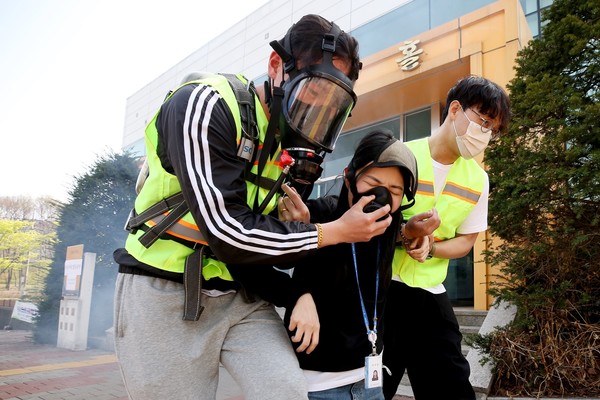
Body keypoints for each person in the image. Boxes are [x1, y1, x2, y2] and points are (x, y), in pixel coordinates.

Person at [113, 15, 393, 400]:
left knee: (287, 391)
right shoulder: (205, 104)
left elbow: (270, 246)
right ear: (277, 66)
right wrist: (334, 231)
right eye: (316, 89)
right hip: (164, 287)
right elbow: (228, 232)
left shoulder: (286, 152)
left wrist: (297, 283)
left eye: (334, 103)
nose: (319, 109)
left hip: (240, 292)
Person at [240, 129, 439, 400]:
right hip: (316, 386)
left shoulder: (388, 224)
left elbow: (395, 236)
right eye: (373, 182)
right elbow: (246, 263)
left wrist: (412, 234)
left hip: (370, 380)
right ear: (349, 177)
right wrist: (296, 294)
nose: (381, 197)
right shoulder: (317, 214)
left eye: (394, 190)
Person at [382, 75, 511, 400]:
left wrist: (433, 247)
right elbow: (368, 223)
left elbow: (467, 240)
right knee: (370, 389)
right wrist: (405, 235)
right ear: (455, 109)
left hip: (430, 296)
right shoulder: (401, 156)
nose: (486, 135)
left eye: (492, 130)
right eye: (483, 122)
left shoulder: (479, 180)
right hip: (382, 293)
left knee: (452, 388)